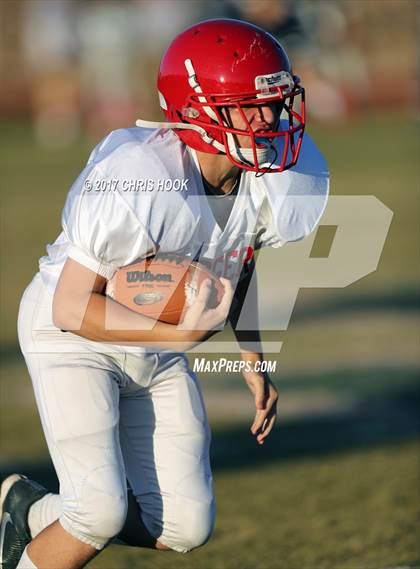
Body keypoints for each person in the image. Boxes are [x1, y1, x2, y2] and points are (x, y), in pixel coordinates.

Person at [0, 18, 328, 569]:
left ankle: (29, 511)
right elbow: (71, 305)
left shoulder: (265, 173)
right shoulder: (138, 177)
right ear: (198, 109)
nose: (269, 118)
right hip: (70, 337)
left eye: (273, 101)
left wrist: (251, 355)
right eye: (249, 105)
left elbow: (239, 258)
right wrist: (176, 333)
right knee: (97, 513)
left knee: (183, 525)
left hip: (153, 344)